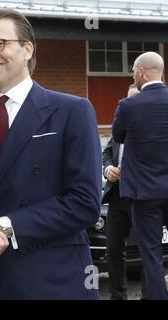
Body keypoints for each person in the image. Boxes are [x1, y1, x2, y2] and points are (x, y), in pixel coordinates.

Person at [0, 9, 102, 299]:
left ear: (27, 49)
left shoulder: (71, 112)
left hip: (53, 281)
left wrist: (5, 227)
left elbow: (84, 203)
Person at [112, 51, 168, 300]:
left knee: (152, 255)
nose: (132, 75)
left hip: (145, 194)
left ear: (142, 71)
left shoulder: (128, 105)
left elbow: (118, 136)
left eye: (134, 70)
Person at [102, 84, 147, 300]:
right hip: (118, 195)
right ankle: (117, 296)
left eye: (134, 99)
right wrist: (108, 168)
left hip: (144, 197)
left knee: (147, 250)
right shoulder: (120, 124)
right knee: (113, 248)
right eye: (127, 100)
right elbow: (108, 151)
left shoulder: (154, 126)